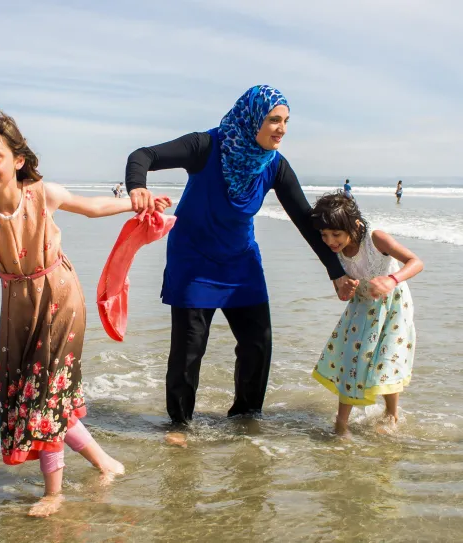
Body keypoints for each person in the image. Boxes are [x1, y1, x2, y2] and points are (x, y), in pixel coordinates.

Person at [0, 109, 170, 517]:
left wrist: (135, 203)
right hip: (16, 309)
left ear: (17, 159)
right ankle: (106, 463)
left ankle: (54, 492)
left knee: (45, 396)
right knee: (38, 397)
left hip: (61, 298)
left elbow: (91, 207)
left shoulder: (42, 194)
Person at [124, 85, 359, 432]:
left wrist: (336, 272)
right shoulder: (205, 146)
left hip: (240, 263)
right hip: (194, 261)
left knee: (258, 344)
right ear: (253, 120)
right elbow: (143, 155)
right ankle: (179, 424)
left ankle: (246, 417)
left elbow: (305, 220)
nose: (281, 128)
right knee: (190, 350)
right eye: (273, 120)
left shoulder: (274, 165)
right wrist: (137, 186)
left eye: (286, 121)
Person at [310, 191, 423, 436]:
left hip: (394, 306)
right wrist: (345, 289)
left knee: (387, 358)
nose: (330, 241)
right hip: (361, 307)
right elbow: (342, 295)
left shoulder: (376, 239)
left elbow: (415, 262)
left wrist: (391, 280)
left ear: (355, 224)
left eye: (336, 234)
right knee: (353, 358)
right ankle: (341, 423)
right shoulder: (333, 254)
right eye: (324, 235)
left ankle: (392, 413)